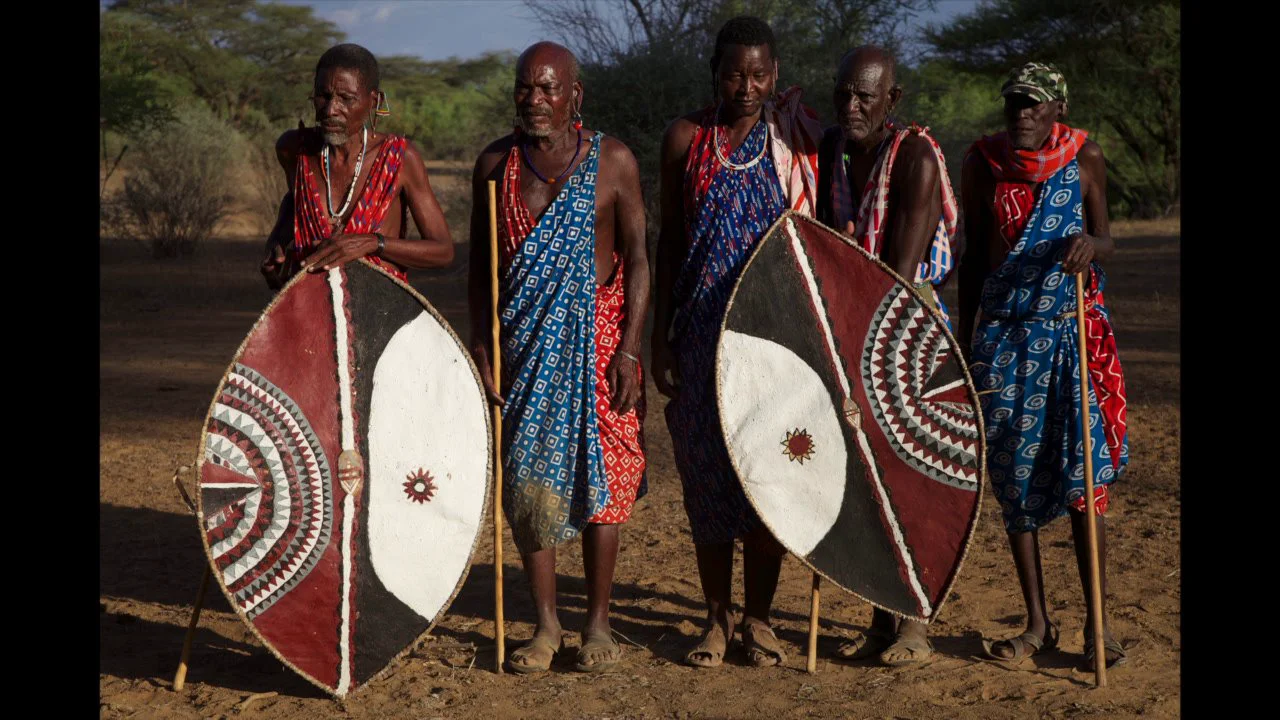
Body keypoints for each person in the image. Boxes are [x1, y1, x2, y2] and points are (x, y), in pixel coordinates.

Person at [467, 42, 651, 675]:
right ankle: (545, 627)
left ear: (576, 96)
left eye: (549, 89)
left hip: (602, 345)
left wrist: (630, 348)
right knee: (528, 480)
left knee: (608, 479)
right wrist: (483, 341)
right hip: (524, 346)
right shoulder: (494, 165)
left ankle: (597, 626)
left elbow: (640, 261)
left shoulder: (614, 162)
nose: (534, 99)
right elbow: (481, 269)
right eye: (526, 87)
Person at [651, 15, 821, 669]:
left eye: (757, 73)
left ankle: (761, 619)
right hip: (699, 335)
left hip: (775, 342)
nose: (745, 85)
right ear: (714, 73)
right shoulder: (686, 139)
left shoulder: (796, 146)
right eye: (732, 72)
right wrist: (661, 337)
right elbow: (669, 239)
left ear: (774, 74)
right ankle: (717, 620)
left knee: (769, 476)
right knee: (708, 479)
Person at [957, 62, 1130, 670]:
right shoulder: (981, 164)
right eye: (1013, 105)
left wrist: (1092, 246)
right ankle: (1037, 623)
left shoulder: (1086, 160)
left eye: (1033, 104)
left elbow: (1107, 237)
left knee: (1086, 478)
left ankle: (1097, 627)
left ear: (1057, 108)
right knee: (1014, 479)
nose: (1021, 114)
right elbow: (974, 258)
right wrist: (964, 345)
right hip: (1005, 341)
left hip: (1070, 335)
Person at [813, 45, 959, 667]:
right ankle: (880, 617)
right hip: (852, 321)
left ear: (891, 101)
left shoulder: (916, 156)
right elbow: (823, 237)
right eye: (844, 93)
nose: (852, 105)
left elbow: (899, 274)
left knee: (905, 474)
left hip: (905, 332)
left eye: (865, 96)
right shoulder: (831, 149)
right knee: (866, 474)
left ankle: (913, 625)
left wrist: (860, 343)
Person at [259, 43, 454, 289]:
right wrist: (277, 239)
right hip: (309, 307)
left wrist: (373, 243)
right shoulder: (294, 150)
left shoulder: (400, 159)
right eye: (323, 96)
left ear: (374, 101)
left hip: (380, 310)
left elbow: (443, 251)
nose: (331, 110)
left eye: (346, 99)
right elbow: (297, 200)